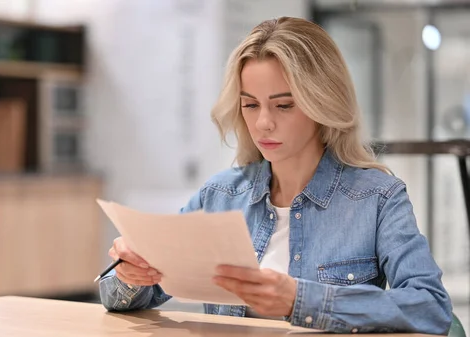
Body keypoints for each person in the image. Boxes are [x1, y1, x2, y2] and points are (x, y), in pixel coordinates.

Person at [98, 17, 452, 334]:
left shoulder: (378, 198)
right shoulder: (220, 195)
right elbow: (118, 296)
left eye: (284, 105)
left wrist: (300, 300)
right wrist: (131, 274)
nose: (263, 123)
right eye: (250, 104)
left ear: (322, 103)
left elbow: (431, 308)